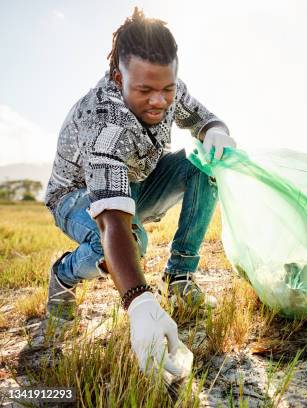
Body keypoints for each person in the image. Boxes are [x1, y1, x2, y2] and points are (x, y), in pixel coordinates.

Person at [43, 8, 235, 378]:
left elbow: (202, 117)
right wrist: (139, 302)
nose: (160, 101)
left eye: (167, 89)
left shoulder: (166, 88)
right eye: (145, 90)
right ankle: (64, 274)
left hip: (137, 183)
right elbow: (112, 224)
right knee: (129, 241)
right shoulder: (103, 121)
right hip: (75, 195)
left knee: (206, 163)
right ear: (119, 77)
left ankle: (180, 276)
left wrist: (214, 130)